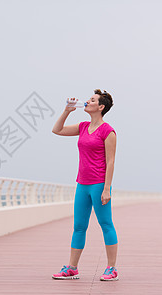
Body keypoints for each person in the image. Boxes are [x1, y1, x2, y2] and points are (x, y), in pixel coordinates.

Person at [51, 89, 119, 281]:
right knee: (79, 226)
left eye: (92, 100)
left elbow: (111, 161)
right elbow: (57, 130)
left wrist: (107, 189)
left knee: (106, 224)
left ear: (101, 107)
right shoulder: (82, 127)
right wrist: (67, 111)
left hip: (98, 185)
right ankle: (72, 268)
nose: (87, 102)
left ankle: (111, 268)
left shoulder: (108, 131)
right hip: (82, 183)